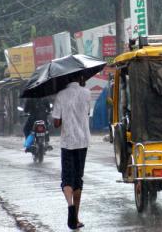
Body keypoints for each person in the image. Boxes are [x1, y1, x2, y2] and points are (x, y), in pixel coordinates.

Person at [52, 74, 91, 230]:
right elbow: (87, 114)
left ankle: (70, 208)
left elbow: (56, 123)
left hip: (67, 142)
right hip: (82, 141)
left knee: (67, 178)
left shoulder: (61, 95)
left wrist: (63, 117)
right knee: (78, 178)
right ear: (80, 78)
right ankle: (75, 217)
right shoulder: (87, 93)